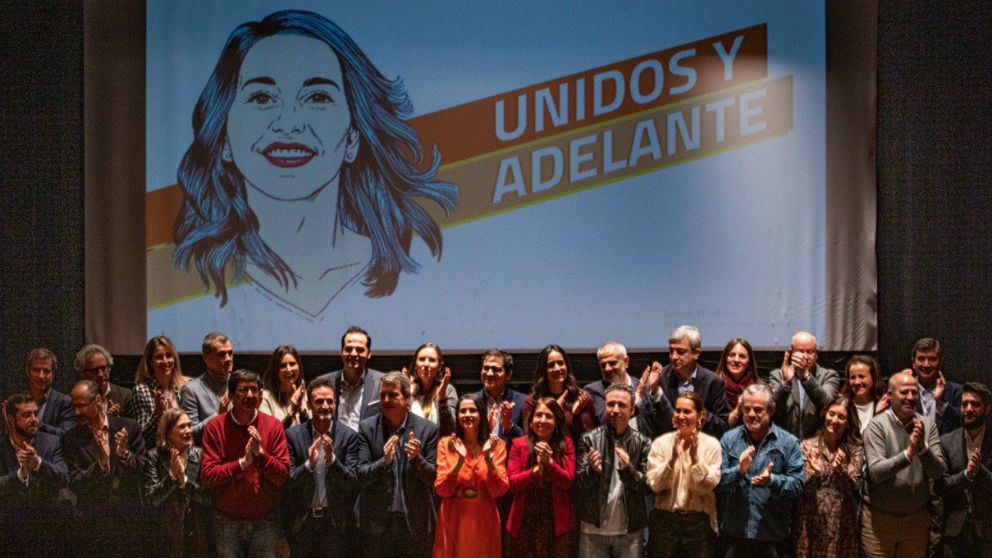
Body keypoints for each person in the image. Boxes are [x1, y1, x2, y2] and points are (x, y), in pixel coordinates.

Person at [172, 9, 458, 316]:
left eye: (317, 97)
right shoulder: (200, 271)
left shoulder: (401, 263)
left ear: (352, 136)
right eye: (263, 98)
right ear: (224, 136)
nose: (288, 123)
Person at [200, 369, 290, 558]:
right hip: (227, 521)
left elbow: (282, 476)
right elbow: (208, 476)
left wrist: (261, 456)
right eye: (243, 390)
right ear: (231, 396)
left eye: (254, 390)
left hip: (265, 521)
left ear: (261, 394)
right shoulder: (215, 427)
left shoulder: (273, 426)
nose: (250, 395)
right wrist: (242, 463)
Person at [862, 370, 947, 558]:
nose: (910, 397)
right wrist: (908, 454)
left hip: (915, 520)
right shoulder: (876, 426)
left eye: (914, 392)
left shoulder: (927, 425)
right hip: (880, 521)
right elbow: (876, 472)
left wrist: (923, 450)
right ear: (890, 395)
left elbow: (938, 471)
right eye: (904, 392)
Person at [716, 383, 805, 558]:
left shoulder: (788, 443)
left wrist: (773, 480)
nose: (751, 415)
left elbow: (798, 485)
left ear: (771, 410)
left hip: (773, 536)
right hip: (736, 536)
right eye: (746, 409)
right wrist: (738, 471)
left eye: (758, 410)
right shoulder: (729, 440)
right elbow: (715, 482)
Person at [356, 371, 439, 558]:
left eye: (393, 395)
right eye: (382, 395)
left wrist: (417, 458)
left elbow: (434, 478)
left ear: (407, 398)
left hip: (414, 523)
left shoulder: (427, 430)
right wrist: (383, 462)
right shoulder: (367, 428)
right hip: (377, 526)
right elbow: (360, 475)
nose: (386, 400)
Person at [62, 379, 147, 558]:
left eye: (81, 406)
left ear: (98, 401)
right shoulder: (71, 439)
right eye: (73, 407)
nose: (77, 412)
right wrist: (101, 463)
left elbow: (144, 468)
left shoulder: (128, 427)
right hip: (93, 526)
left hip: (129, 523)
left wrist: (125, 454)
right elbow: (75, 481)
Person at [284, 377, 360, 558]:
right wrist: (309, 464)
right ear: (309, 405)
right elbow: (288, 482)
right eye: (319, 401)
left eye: (329, 401)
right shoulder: (292, 436)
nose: (325, 406)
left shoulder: (348, 436)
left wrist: (332, 460)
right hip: (302, 524)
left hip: (335, 525)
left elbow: (353, 483)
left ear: (335, 404)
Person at [576, 384, 652, 558]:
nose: (615, 410)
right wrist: (593, 472)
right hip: (593, 530)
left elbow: (648, 486)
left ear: (632, 410)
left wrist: (628, 470)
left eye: (622, 405)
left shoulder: (642, 442)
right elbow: (578, 484)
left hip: (629, 532)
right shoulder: (588, 440)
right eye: (610, 404)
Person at [646, 390, 722, 558]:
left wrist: (695, 458)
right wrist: (672, 459)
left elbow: (705, 487)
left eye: (687, 411)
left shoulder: (711, 445)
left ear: (700, 416)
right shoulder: (661, 443)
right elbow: (655, 485)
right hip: (665, 523)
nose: (681, 416)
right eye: (678, 410)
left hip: (698, 525)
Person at [434, 394, 509, 558]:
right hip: (453, 516)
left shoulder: (496, 445)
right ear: (457, 415)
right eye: (463, 411)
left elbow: (500, 489)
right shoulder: (446, 444)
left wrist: (489, 459)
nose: (467, 415)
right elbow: (441, 489)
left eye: (472, 411)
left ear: (481, 414)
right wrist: (460, 461)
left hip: (484, 518)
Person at [0, 393, 70, 556]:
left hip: (46, 524)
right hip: (9, 527)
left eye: (35, 413)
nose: (34, 419)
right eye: (26, 415)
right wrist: (20, 474)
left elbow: (64, 477)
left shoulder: (51, 442)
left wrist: (38, 463)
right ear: (10, 419)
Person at [507, 397, 577, 558]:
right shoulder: (519, 444)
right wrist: (535, 471)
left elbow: (568, 482)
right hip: (524, 521)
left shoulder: (566, 444)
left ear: (557, 422)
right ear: (530, 422)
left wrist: (549, 463)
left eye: (549, 416)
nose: (542, 420)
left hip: (557, 522)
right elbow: (512, 483)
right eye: (538, 415)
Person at [795, 396, 865, 558]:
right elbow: (799, 485)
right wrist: (814, 472)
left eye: (841, 417)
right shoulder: (807, 446)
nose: (834, 420)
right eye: (832, 414)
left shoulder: (855, 448)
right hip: (812, 516)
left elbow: (855, 485)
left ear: (848, 423)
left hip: (842, 519)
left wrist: (841, 470)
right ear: (825, 414)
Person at [142, 408, 212, 558]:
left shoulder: (199, 455)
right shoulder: (154, 457)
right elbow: (151, 499)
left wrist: (184, 482)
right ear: (168, 432)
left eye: (189, 425)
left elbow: (209, 498)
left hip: (197, 534)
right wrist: (172, 477)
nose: (188, 430)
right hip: (167, 535)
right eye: (182, 426)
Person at [935, 382, 992, 558]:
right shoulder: (946, 442)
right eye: (964, 404)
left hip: (988, 532)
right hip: (954, 532)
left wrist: (980, 472)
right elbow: (940, 487)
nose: (968, 409)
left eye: (975, 404)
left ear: (987, 409)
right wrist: (966, 475)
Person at [643, 325, 730, 437]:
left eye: (680, 352)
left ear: (696, 353)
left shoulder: (713, 382)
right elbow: (648, 422)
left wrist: (697, 412)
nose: (673, 357)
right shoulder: (660, 378)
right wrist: (654, 391)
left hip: (701, 447)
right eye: (671, 351)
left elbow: (722, 427)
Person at [768, 331, 841, 440]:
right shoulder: (777, 375)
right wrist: (786, 383)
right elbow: (771, 410)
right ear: (791, 353)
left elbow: (827, 405)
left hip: (817, 445)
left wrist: (806, 377)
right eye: (801, 352)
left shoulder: (829, 375)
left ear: (816, 354)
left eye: (810, 352)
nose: (805, 356)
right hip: (784, 444)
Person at [315, 326, 383, 432]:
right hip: (333, 446)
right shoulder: (323, 383)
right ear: (341, 351)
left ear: (369, 353)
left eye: (360, 350)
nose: (353, 354)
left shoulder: (382, 383)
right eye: (348, 349)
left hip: (367, 447)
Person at [522, 344, 595, 444]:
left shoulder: (582, 399)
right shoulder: (532, 401)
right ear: (544, 370)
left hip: (575, 458)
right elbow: (530, 439)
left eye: (560, 363)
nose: (557, 368)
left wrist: (576, 416)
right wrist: (556, 412)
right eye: (551, 365)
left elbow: (588, 440)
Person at [585, 341, 659, 434]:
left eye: (612, 363)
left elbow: (663, 421)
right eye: (603, 365)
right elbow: (606, 420)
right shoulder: (593, 391)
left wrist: (656, 391)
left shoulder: (645, 387)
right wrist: (639, 395)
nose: (607, 369)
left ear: (626, 362)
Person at [134, 335, 190, 447]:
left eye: (169, 356)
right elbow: (141, 435)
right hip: (158, 454)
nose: (165, 361)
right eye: (159, 357)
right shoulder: (142, 390)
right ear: (150, 362)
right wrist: (157, 415)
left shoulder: (185, 386)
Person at [180, 331, 234, 443]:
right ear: (205, 358)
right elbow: (190, 434)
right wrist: (218, 416)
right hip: (206, 454)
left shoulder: (239, 385)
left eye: (230, 353)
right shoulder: (191, 390)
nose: (228, 359)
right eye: (221, 354)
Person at [472, 349, 527, 443]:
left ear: (508, 375)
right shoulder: (471, 402)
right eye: (486, 368)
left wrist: (509, 426)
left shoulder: (522, 401)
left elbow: (527, 439)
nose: (489, 373)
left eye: (496, 369)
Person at [911, 337, 962, 435]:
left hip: (946, 449)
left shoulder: (956, 391)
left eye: (932, 359)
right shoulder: (904, 392)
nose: (926, 365)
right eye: (921, 359)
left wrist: (941, 403)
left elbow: (962, 425)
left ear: (940, 362)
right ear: (913, 362)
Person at [407, 343, 458, 437]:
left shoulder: (448, 390)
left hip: (437, 449)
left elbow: (451, 429)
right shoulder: (407, 389)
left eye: (431, 360)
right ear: (415, 365)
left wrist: (442, 398)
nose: (426, 364)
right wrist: (406, 396)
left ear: (439, 366)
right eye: (422, 359)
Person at [74, 343, 136, 419]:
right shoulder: (75, 399)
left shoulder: (125, 396)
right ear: (82, 373)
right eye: (94, 370)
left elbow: (133, 428)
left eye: (103, 368)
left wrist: (116, 421)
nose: (100, 374)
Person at [24, 348, 75, 436]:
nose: (41, 375)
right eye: (36, 370)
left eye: (46, 371)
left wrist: (36, 424)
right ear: (28, 372)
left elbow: (67, 434)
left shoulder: (65, 402)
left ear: (53, 374)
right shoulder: (18, 400)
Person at [715, 338, 763, 428]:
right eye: (732, 355)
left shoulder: (760, 389)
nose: (736, 360)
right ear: (725, 359)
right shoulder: (714, 387)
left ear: (749, 362)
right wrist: (738, 409)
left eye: (742, 356)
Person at [260, 345, 311, 428]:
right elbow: (271, 435)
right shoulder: (266, 398)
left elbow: (311, 433)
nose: (288, 369)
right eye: (283, 366)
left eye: (292, 364)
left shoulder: (307, 396)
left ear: (299, 366)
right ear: (276, 370)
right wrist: (291, 413)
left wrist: (301, 409)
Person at [840, 355, 886, 433]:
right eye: (853, 377)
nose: (857, 382)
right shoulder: (843, 405)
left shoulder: (884, 405)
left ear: (873, 377)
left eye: (861, 376)